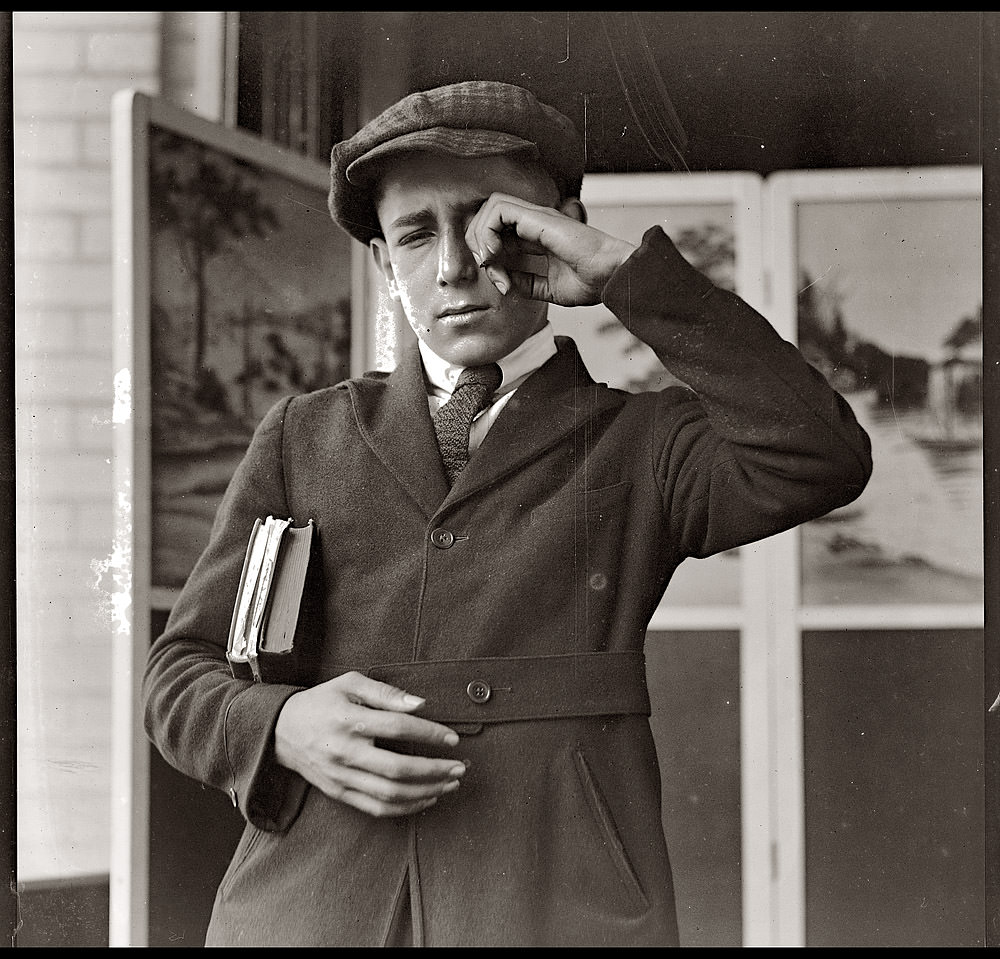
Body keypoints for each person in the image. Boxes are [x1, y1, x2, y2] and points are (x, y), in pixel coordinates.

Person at [142, 80, 873, 948]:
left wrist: (626, 277)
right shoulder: (305, 435)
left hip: (555, 900)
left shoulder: (641, 439)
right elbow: (178, 674)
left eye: (490, 225)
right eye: (415, 234)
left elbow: (821, 455)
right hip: (311, 907)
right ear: (385, 264)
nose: (451, 265)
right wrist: (281, 725)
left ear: (556, 227)